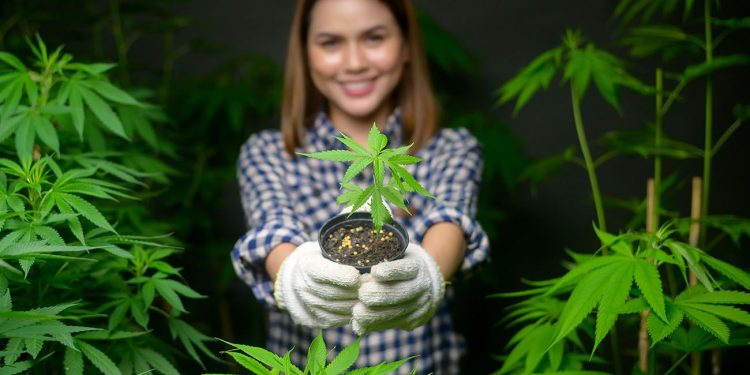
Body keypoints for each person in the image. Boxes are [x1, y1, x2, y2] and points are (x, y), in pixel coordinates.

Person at [231, 0, 489, 373]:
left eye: (374, 37)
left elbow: (450, 219)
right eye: (330, 42)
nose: (354, 62)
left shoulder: (451, 148)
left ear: (405, 46)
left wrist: (428, 275)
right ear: (305, 53)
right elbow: (272, 230)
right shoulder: (269, 153)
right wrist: (293, 273)